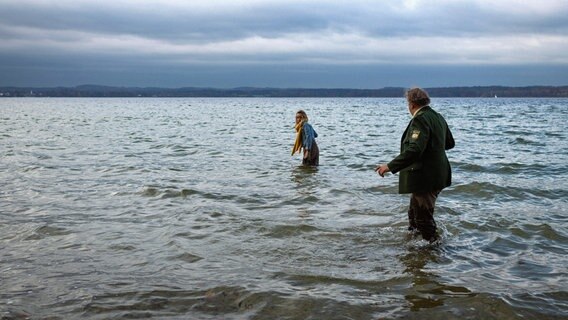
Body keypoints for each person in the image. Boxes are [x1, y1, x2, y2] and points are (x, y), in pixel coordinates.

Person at [375, 87, 454, 243]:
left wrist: (389, 166)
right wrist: (433, 149)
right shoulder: (437, 117)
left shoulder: (420, 119)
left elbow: (414, 150)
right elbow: (449, 143)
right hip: (438, 175)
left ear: (411, 104)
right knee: (414, 215)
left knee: (423, 218)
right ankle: (415, 251)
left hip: (425, 178)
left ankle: (433, 251)